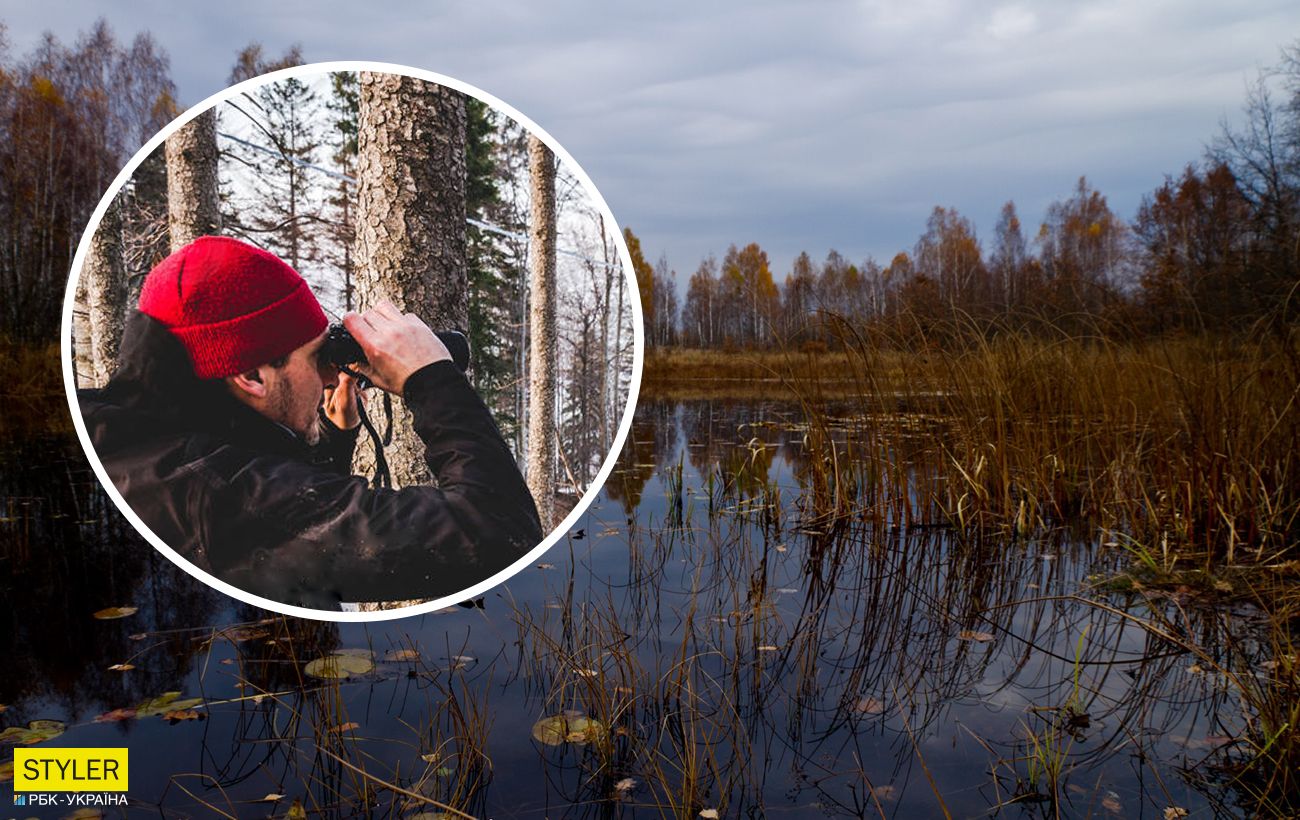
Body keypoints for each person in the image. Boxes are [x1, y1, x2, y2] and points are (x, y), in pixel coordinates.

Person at [78, 236, 542, 610]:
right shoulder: (214, 492)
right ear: (251, 376)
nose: (329, 375)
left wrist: (333, 443)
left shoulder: (135, 436)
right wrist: (432, 380)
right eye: (316, 355)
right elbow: (499, 533)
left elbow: (280, 517)